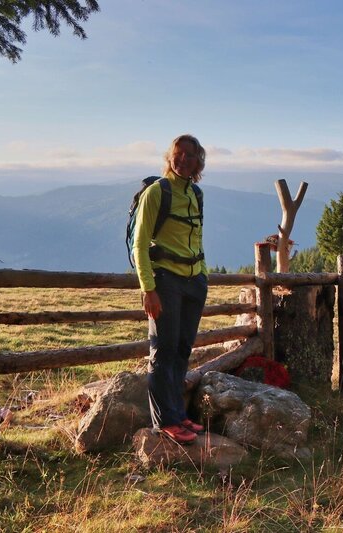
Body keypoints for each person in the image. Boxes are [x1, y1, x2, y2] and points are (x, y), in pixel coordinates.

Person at [132, 134, 209, 444]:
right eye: (178, 154)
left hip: (194, 281)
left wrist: (202, 274)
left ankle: (178, 415)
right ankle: (164, 421)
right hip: (165, 281)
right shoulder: (156, 192)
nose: (182, 160)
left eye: (189, 156)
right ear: (169, 157)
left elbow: (197, 237)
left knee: (181, 350)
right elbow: (140, 244)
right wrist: (148, 289)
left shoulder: (196, 193)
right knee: (163, 351)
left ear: (198, 162)